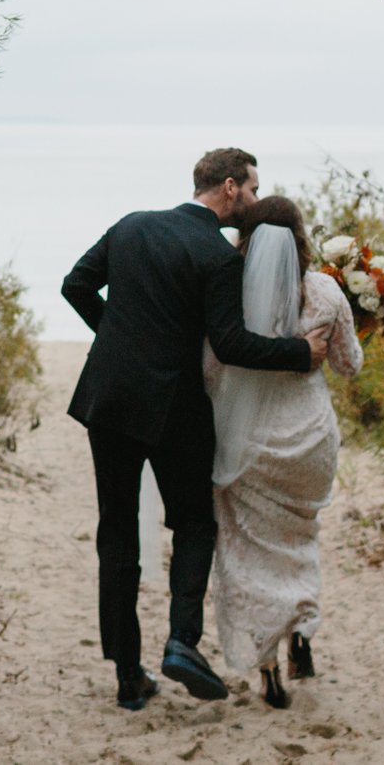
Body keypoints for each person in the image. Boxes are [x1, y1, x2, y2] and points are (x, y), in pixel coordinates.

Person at [61, 148, 336, 711]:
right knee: (193, 522)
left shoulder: (131, 225)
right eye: (254, 189)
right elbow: (232, 344)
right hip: (174, 409)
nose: (256, 200)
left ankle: (127, 675)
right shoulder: (218, 256)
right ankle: (182, 642)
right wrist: (298, 352)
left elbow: (75, 286)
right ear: (231, 188)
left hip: (108, 399)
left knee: (116, 534)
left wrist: (117, 340)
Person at [204, 194, 364, 709]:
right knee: (301, 537)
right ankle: (303, 626)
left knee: (247, 552)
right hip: (310, 440)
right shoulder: (324, 291)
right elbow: (350, 365)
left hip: (249, 445)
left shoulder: (228, 297)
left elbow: (211, 372)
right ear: (300, 238)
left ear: (245, 240)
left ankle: (268, 666)